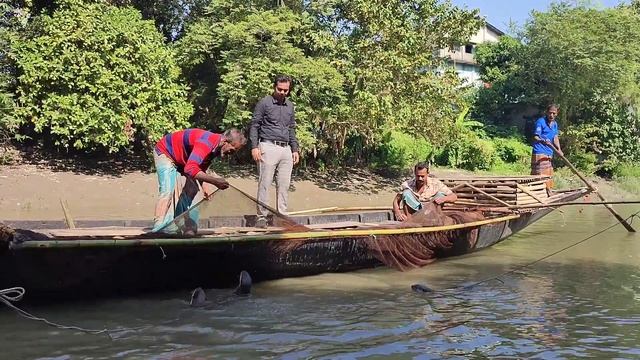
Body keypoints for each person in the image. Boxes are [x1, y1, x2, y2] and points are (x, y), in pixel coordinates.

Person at [152, 128, 246, 234]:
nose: (231, 154)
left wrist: (204, 185)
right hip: (165, 152)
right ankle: (159, 226)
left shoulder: (216, 148)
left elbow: (200, 167)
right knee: (168, 189)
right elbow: (190, 169)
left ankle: (184, 224)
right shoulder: (206, 143)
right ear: (225, 142)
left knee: (192, 189)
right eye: (232, 150)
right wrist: (215, 181)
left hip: (183, 160)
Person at [249, 75, 300, 225]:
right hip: (268, 146)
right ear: (274, 87)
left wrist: (295, 149)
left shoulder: (290, 106)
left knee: (284, 184)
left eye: (286, 90)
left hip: (286, 149)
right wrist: (254, 147)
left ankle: (282, 216)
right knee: (264, 183)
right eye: (280, 89)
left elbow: (291, 128)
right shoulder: (264, 103)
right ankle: (262, 216)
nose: (283, 92)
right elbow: (255, 125)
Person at [392, 162, 458, 221]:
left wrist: (444, 199)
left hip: (430, 212)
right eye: (418, 176)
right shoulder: (407, 184)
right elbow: (396, 201)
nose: (420, 178)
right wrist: (397, 213)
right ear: (415, 173)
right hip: (413, 213)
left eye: (422, 176)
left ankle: (434, 221)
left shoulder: (436, 183)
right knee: (406, 193)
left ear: (428, 174)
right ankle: (410, 222)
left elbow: (454, 197)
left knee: (441, 195)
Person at [531, 104, 563, 190]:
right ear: (546, 112)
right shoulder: (541, 122)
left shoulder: (555, 124)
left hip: (549, 153)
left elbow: (555, 137)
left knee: (549, 175)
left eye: (554, 113)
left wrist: (559, 150)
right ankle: (538, 193)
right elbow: (536, 137)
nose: (551, 115)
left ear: (557, 113)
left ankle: (548, 192)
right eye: (550, 113)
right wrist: (543, 141)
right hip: (539, 152)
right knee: (540, 176)